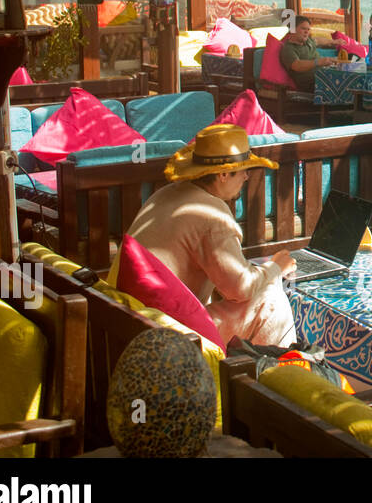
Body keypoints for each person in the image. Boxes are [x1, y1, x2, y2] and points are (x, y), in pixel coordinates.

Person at [124, 124, 297, 347]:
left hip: (136, 318)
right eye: (244, 169)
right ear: (224, 174)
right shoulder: (212, 215)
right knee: (271, 301)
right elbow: (241, 289)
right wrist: (276, 267)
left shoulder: (165, 193)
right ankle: (277, 376)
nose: (246, 177)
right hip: (167, 334)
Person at [279, 16, 338, 91]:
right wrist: (318, 62)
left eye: (308, 29)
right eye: (303, 29)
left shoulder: (307, 42)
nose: (307, 32)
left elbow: (317, 40)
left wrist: (333, 41)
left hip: (324, 76)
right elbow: (297, 65)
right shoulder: (288, 49)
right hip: (311, 84)